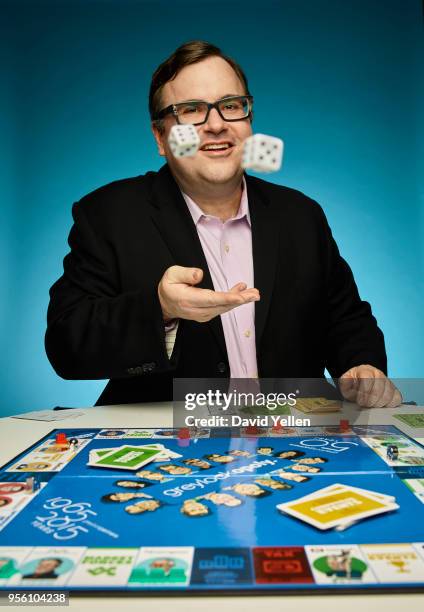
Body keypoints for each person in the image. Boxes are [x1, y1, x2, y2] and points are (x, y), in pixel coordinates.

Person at [45, 40, 402, 409]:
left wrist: (362, 365)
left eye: (231, 106)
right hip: (170, 453)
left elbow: (346, 319)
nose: (216, 125)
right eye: (191, 110)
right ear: (161, 138)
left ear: (248, 120)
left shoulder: (301, 214)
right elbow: (66, 344)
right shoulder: (109, 214)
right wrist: (161, 309)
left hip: (289, 445)